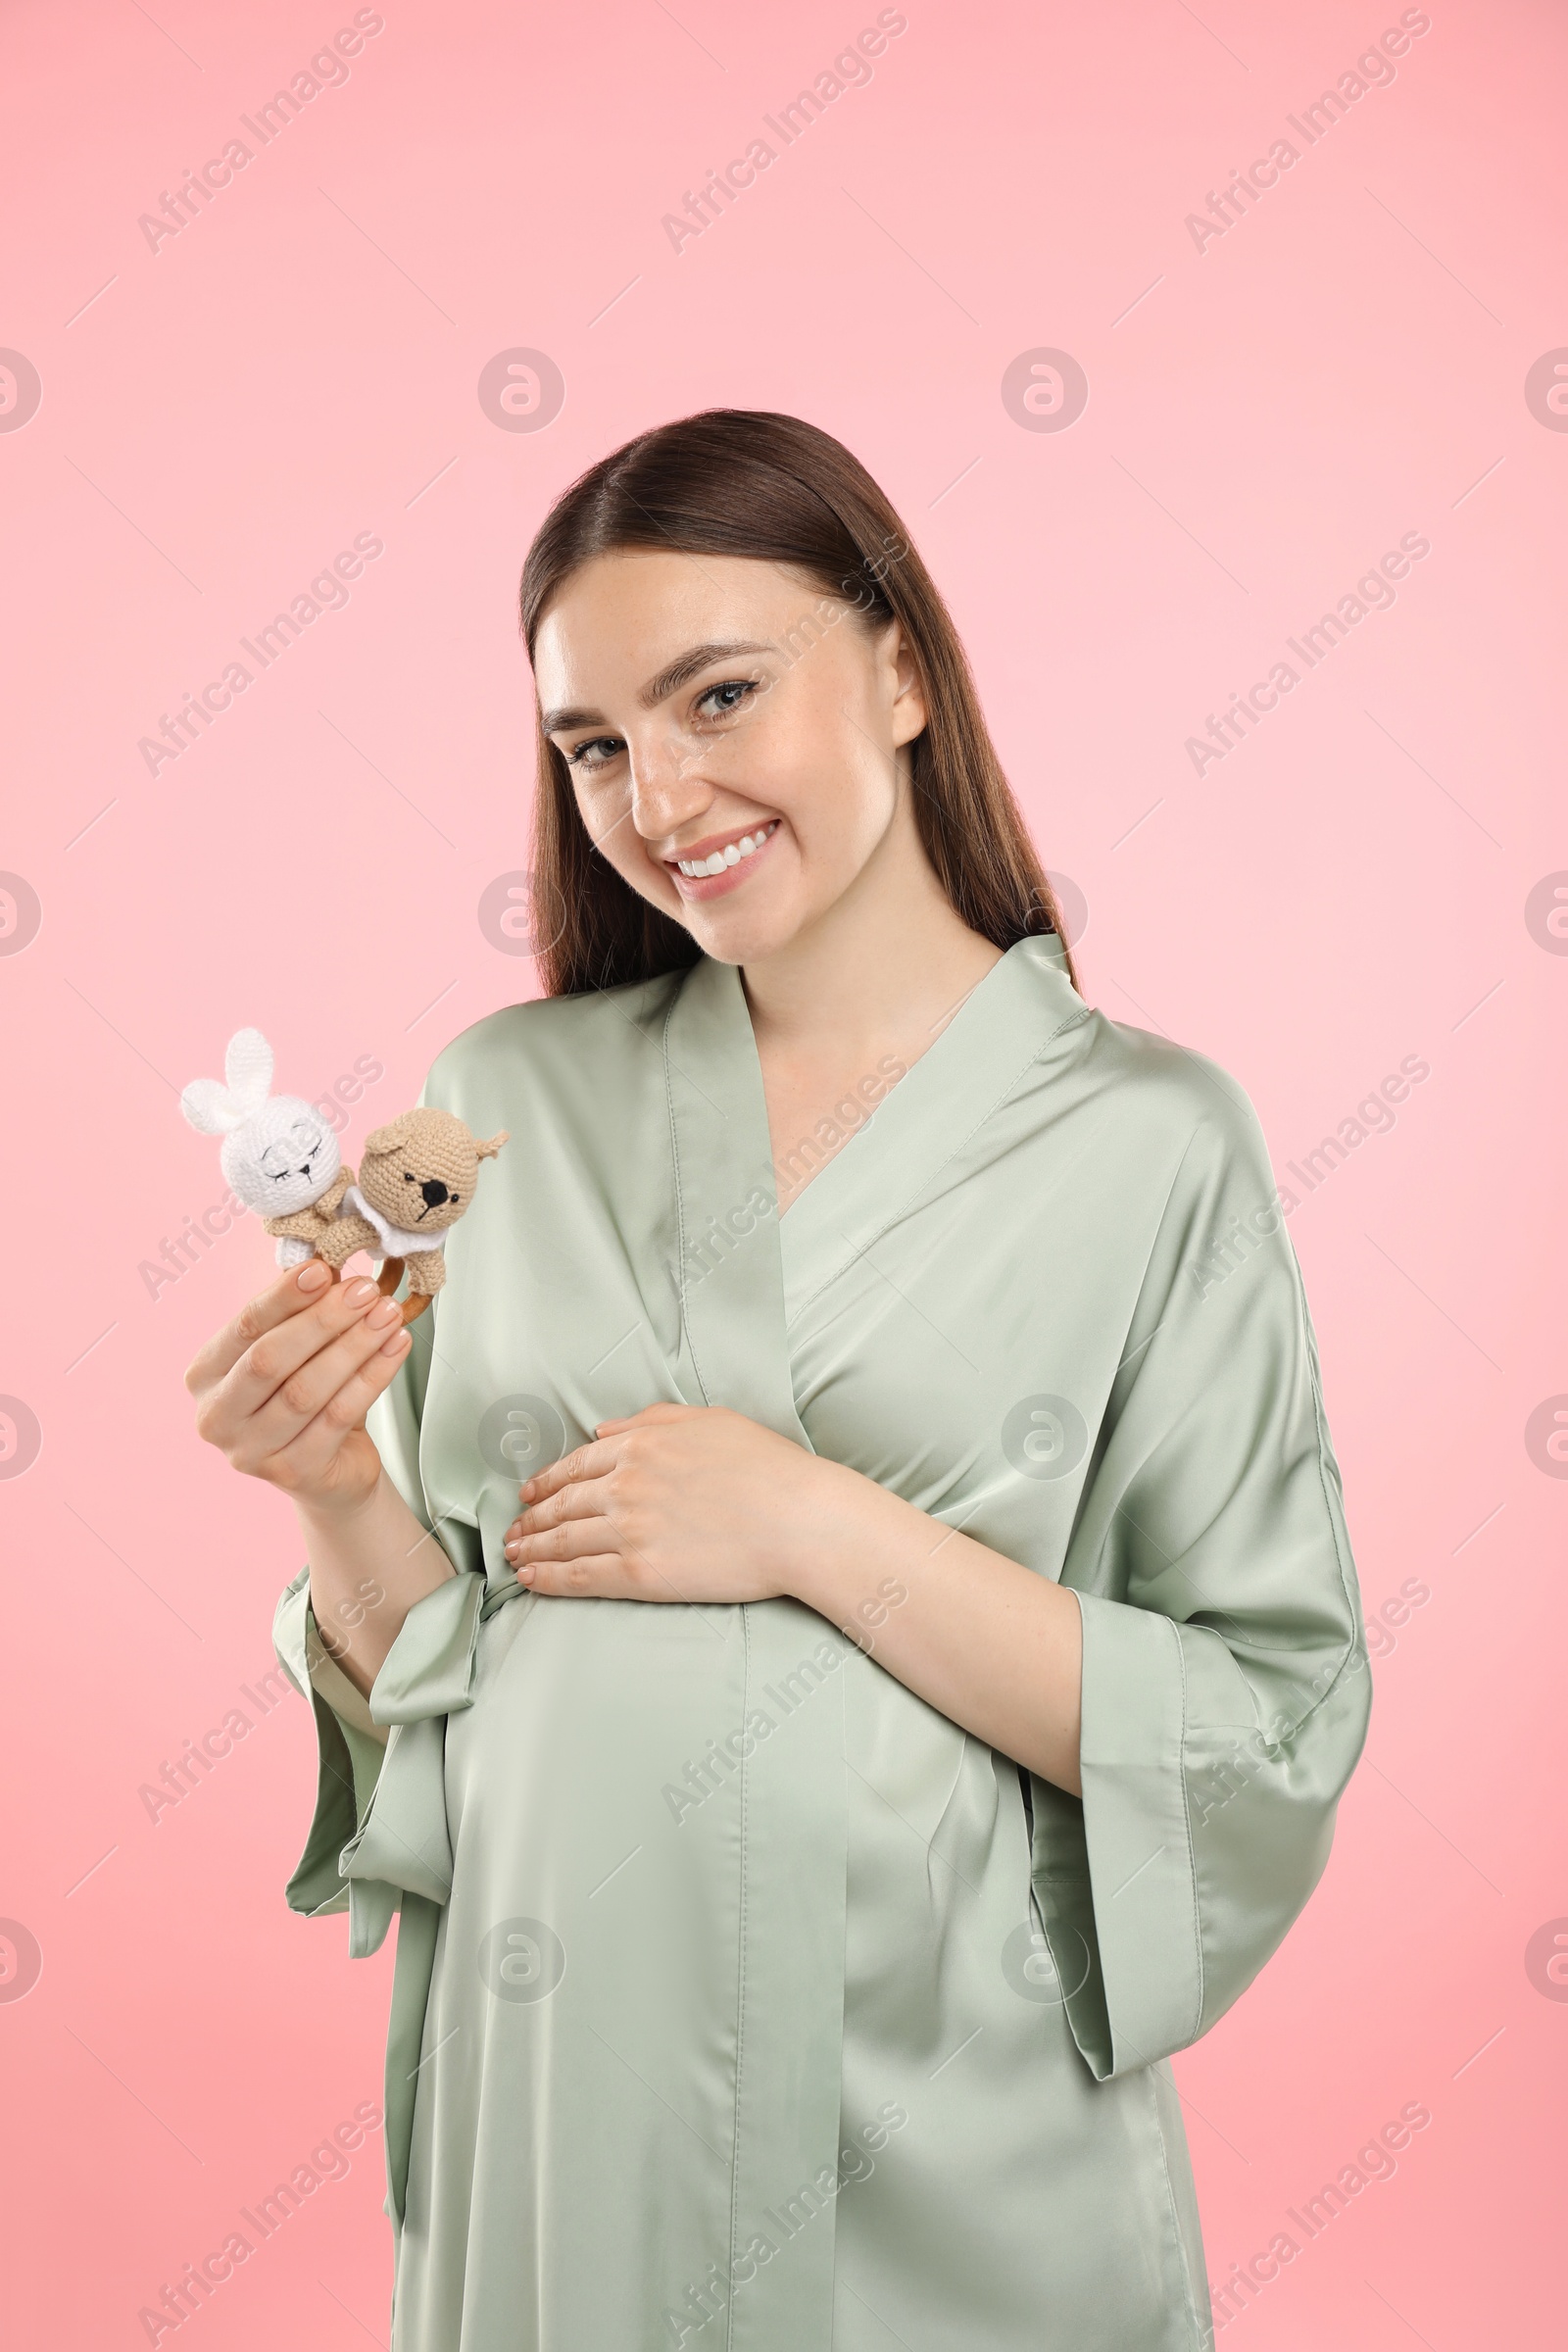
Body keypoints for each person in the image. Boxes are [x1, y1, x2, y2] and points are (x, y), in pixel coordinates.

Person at [185, 409, 1371, 2350]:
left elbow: (1258, 1715)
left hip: (938, 2099)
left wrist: (808, 1523)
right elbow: (445, 1686)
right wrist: (331, 1483)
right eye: (592, 746)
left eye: (716, 696)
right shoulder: (504, 1105)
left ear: (900, 670)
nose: (656, 795)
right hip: (561, 2095)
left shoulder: (1151, 1144)